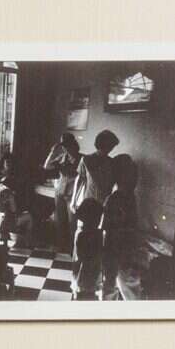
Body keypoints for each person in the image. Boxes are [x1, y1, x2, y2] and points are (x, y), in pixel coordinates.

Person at [101, 153, 146, 301]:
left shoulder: (123, 197)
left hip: (120, 248)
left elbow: (108, 228)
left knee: (119, 283)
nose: (135, 180)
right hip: (119, 247)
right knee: (118, 283)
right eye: (133, 176)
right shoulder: (121, 198)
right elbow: (109, 227)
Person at [42, 130, 81, 245]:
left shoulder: (81, 158)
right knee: (59, 221)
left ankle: (71, 248)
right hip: (60, 193)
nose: (65, 149)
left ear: (73, 145)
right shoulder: (62, 157)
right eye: (64, 146)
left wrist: (71, 156)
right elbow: (47, 167)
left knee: (71, 222)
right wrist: (53, 152)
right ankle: (61, 247)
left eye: (67, 146)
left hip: (72, 195)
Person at [73, 127, 120, 212]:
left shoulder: (112, 162)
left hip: (105, 204)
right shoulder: (86, 159)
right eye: (109, 146)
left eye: (112, 147)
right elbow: (79, 180)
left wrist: (111, 202)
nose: (110, 149)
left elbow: (115, 184)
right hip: (89, 202)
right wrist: (73, 201)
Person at [73, 191, 106, 302]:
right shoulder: (99, 234)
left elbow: (79, 256)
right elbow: (101, 253)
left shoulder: (81, 234)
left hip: (84, 270)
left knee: (83, 292)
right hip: (95, 270)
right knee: (91, 292)